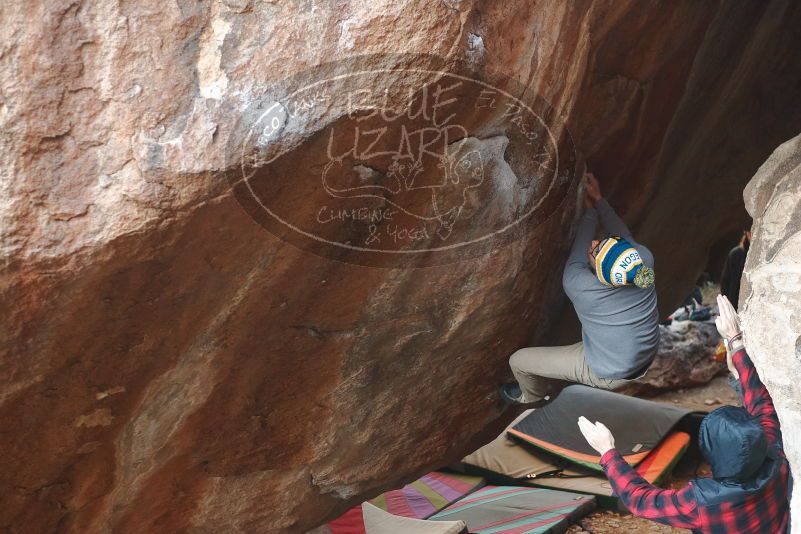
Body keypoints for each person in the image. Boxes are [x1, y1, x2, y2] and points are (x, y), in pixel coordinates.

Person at [578, 295, 790, 533]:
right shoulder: (776, 458)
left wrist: (607, 450)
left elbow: (642, 500)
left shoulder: (701, 503)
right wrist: (735, 342)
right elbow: (762, 403)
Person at [500, 172, 659, 405]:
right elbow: (624, 235)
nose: (594, 244)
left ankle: (533, 395)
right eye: (602, 243)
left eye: (595, 252)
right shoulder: (642, 261)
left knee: (519, 361)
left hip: (609, 371)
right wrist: (599, 199)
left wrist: (591, 212)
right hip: (644, 351)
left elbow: (578, 253)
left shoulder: (579, 284)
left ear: (600, 276)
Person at [720, 230, 751, 310]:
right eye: (749, 232)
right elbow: (725, 281)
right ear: (746, 233)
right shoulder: (736, 254)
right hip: (735, 300)